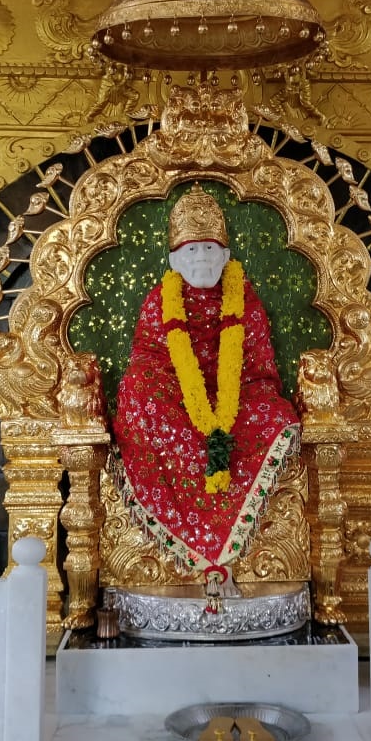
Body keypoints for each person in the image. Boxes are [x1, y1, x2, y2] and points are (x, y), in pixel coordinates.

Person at [112, 184, 300, 602]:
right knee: (139, 390)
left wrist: (235, 395)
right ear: (175, 260)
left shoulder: (244, 299)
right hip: (178, 396)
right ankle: (199, 556)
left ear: (226, 256)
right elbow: (147, 356)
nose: (202, 258)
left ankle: (227, 553)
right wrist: (173, 393)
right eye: (193, 250)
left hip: (238, 394)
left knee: (276, 416)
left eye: (210, 249)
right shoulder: (160, 300)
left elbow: (258, 362)